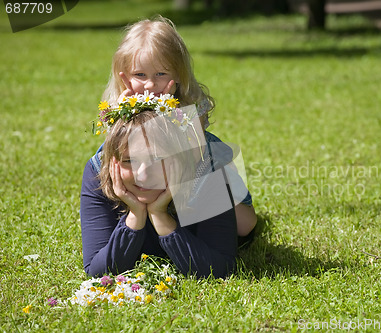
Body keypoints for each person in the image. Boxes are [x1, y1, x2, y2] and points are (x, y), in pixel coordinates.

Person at [80, 16, 256, 278]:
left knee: (243, 225)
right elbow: (117, 142)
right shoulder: (120, 105)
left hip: (201, 154)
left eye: (161, 74)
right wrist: (125, 118)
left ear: (178, 75)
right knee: (117, 162)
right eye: (140, 75)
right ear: (124, 77)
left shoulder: (188, 106)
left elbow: (196, 144)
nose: (150, 85)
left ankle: (224, 205)